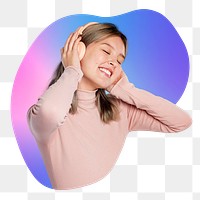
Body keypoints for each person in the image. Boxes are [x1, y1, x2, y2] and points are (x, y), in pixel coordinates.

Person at [27, 22, 192, 190]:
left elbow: (181, 122)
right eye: (106, 51)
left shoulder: (119, 110)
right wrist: (72, 70)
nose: (113, 62)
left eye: (119, 61)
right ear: (78, 50)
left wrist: (125, 90)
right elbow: (51, 113)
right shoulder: (43, 113)